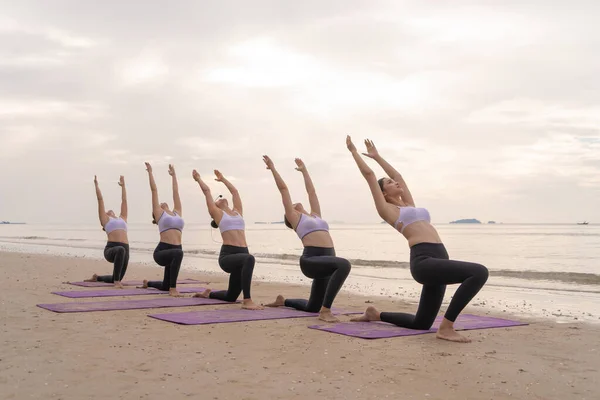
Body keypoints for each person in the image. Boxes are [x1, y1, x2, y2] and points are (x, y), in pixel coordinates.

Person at [346, 136, 489, 343]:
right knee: (478, 272)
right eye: (389, 183)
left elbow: (398, 174)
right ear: (383, 193)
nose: (394, 182)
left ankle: (375, 315)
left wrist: (378, 157)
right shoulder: (387, 210)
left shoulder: (410, 205)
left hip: (440, 258)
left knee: (421, 322)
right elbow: (369, 175)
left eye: (393, 181)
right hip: (424, 261)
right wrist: (353, 152)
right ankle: (447, 327)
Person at [262, 156, 351, 323]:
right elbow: (283, 190)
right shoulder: (296, 219)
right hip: (312, 260)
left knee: (312, 306)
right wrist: (273, 168)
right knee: (344, 264)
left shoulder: (315, 215)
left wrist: (304, 171)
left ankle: (283, 301)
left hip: (327, 259)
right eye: (292, 206)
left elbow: (312, 192)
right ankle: (325, 312)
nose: (295, 203)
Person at [191, 170, 263, 310]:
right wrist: (198, 179)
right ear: (215, 206)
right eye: (217, 201)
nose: (221, 199)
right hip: (228, 256)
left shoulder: (237, 212)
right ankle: (247, 301)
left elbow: (235, 192)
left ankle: (209, 294)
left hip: (242, 254)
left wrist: (223, 179)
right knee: (249, 258)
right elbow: (207, 192)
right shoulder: (218, 214)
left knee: (231, 297)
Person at [141, 163, 184, 297]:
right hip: (162, 251)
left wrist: (173, 175)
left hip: (175, 250)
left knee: (164, 286)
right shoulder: (160, 214)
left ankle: (149, 283)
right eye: (159, 205)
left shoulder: (177, 212)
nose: (161, 203)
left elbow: (175, 192)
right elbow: (154, 190)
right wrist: (150, 172)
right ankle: (173, 289)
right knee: (178, 253)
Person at [85, 175, 129, 288]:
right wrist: (96, 185)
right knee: (120, 250)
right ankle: (116, 282)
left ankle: (98, 278)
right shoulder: (105, 220)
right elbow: (100, 200)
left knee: (117, 275)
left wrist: (123, 186)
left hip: (125, 249)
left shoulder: (122, 218)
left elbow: (124, 200)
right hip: (111, 249)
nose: (110, 210)